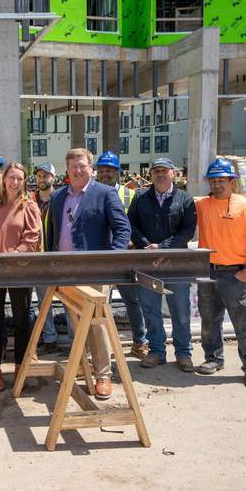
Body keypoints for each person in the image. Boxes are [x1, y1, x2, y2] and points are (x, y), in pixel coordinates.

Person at [45, 148, 131, 400]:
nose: (77, 171)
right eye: (73, 167)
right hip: (66, 271)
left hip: (96, 272)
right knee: (76, 322)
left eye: (82, 166)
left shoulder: (105, 193)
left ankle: (103, 373)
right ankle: (85, 365)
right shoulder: (59, 196)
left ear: (91, 168)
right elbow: (52, 231)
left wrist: (110, 261)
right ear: (67, 170)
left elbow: (122, 229)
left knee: (97, 324)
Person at [196, 159, 246, 389]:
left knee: (244, 323)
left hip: (237, 274)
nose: (216, 185)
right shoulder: (203, 205)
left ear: (232, 182)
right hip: (209, 272)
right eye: (212, 181)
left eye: (221, 181)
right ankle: (213, 358)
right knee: (209, 319)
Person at [128, 157, 197, 372]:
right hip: (147, 262)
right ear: (151, 174)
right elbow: (131, 225)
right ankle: (157, 351)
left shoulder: (184, 199)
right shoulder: (140, 197)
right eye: (156, 171)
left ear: (173, 173)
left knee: (181, 309)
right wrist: (147, 245)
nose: (160, 174)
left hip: (176, 264)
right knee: (150, 309)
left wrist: (163, 246)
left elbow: (188, 231)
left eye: (164, 171)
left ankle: (183, 352)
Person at [0, 162, 42, 391]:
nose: (15, 182)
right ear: (4, 179)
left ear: (24, 181)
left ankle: (20, 366)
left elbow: (32, 239)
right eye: (12, 178)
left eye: (20, 179)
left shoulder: (29, 206)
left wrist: (12, 258)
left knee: (22, 322)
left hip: (19, 271)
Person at [94, 151, 148, 360]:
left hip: (126, 257)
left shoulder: (130, 195)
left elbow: (137, 225)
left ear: (117, 172)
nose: (104, 173)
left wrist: (131, 244)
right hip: (101, 258)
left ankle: (139, 342)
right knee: (99, 304)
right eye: (101, 170)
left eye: (109, 170)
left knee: (132, 301)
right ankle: (100, 348)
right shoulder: (91, 192)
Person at [32, 163, 69, 355]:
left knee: (69, 302)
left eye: (46, 176)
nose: (42, 179)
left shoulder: (62, 199)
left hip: (60, 257)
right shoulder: (31, 199)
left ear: (54, 178)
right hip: (40, 260)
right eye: (39, 176)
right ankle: (49, 339)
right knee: (42, 301)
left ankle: (75, 340)